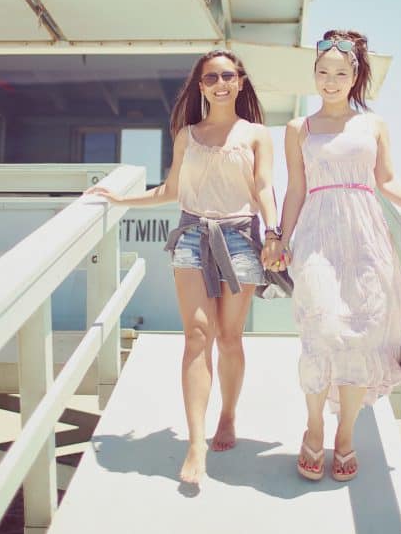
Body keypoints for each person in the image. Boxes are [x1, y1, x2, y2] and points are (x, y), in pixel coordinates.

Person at [86, 49, 280, 485]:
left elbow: (265, 186)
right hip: (192, 234)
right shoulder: (186, 134)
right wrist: (120, 200)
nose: (220, 83)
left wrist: (274, 231)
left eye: (227, 75)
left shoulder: (256, 135)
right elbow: (170, 189)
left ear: (241, 81)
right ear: (200, 85)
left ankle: (227, 415)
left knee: (229, 337)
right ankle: (196, 444)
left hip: (240, 237)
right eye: (210, 78)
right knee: (196, 335)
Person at [263, 29, 401, 483]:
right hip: (317, 237)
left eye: (340, 73)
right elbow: (295, 190)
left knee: (363, 335)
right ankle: (313, 425)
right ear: (314, 75)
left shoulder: (374, 125)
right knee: (322, 329)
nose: (330, 81)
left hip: (367, 236)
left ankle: (344, 435)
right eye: (323, 72)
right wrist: (279, 239)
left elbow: (386, 180)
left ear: (355, 77)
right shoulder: (298, 129)